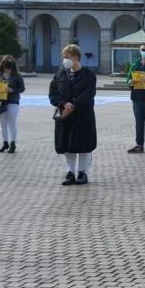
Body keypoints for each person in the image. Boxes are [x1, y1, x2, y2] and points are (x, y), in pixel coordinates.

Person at [49, 44, 97, 186]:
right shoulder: (60, 74)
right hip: (64, 114)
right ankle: (70, 172)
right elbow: (53, 93)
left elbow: (89, 94)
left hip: (83, 115)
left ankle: (83, 172)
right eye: (64, 57)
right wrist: (63, 104)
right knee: (67, 144)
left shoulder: (88, 74)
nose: (65, 60)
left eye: (67, 57)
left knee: (83, 145)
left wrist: (74, 104)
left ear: (76, 57)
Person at [0, 55, 25, 153]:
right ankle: (5, 143)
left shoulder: (17, 76)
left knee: (12, 123)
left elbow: (22, 88)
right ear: (2, 63)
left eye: (10, 62)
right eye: (6, 62)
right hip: (0, 102)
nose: (8, 64)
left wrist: (12, 90)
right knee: (3, 125)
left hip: (13, 101)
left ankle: (13, 144)